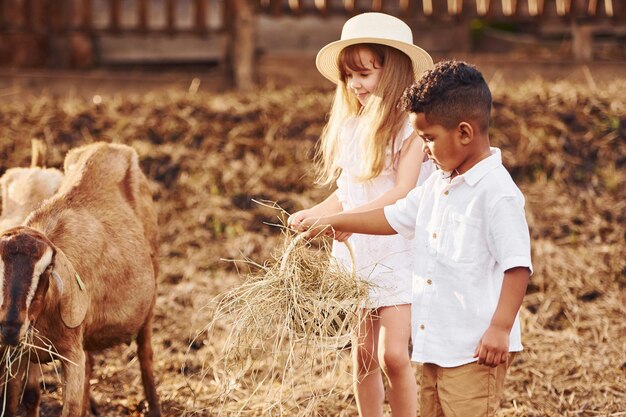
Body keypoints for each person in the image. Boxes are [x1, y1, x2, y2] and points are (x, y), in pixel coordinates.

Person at [298, 60, 533, 417]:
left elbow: (518, 266)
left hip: (475, 350)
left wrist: (499, 329)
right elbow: (392, 217)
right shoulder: (439, 184)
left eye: (429, 139)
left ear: (465, 133)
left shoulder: (496, 193)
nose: (424, 150)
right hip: (436, 347)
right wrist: (333, 221)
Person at [287, 12, 434, 417]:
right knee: (363, 354)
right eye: (348, 76)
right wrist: (313, 214)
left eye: (365, 74)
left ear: (394, 71)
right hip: (359, 255)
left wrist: (339, 222)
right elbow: (349, 192)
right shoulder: (352, 127)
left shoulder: (411, 130)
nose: (355, 84)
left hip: (396, 248)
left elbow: (401, 193)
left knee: (393, 356)